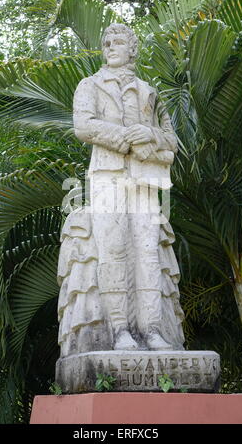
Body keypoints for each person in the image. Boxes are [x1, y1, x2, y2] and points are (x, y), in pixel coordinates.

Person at [68, 23, 184, 352]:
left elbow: (171, 141)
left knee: (147, 254)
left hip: (146, 179)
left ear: (132, 48)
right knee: (113, 251)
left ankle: (151, 330)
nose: (110, 46)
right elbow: (83, 125)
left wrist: (150, 136)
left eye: (118, 41)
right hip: (107, 176)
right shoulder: (89, 85)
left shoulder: (150, 91)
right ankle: (120, 330)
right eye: (106, 42)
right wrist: (125, 140)